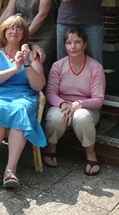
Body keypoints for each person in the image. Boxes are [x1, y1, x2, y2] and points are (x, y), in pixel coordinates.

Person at [0, 15, 46, 188]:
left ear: (24, 33)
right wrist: (14, 69)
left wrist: (25, 63)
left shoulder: (32, 54)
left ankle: (11, 169)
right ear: (3, 31)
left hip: (23, 95)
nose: (14, 31)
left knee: (21, 111)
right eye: (10, 28)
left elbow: (38, 85)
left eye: (19, 28)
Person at [44, 28, 106, 176]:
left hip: (86, 107)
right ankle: (51, 149)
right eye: (68, 43)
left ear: (85, 45)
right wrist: (63, 104)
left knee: (81, 117)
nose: (73, 46)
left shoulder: (96, 68)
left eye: (77, 42)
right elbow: (50, 93)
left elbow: (98, 99)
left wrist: (78, 104)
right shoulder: (58, 66)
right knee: (54, 118)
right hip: (62, 104)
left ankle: (91, 155)